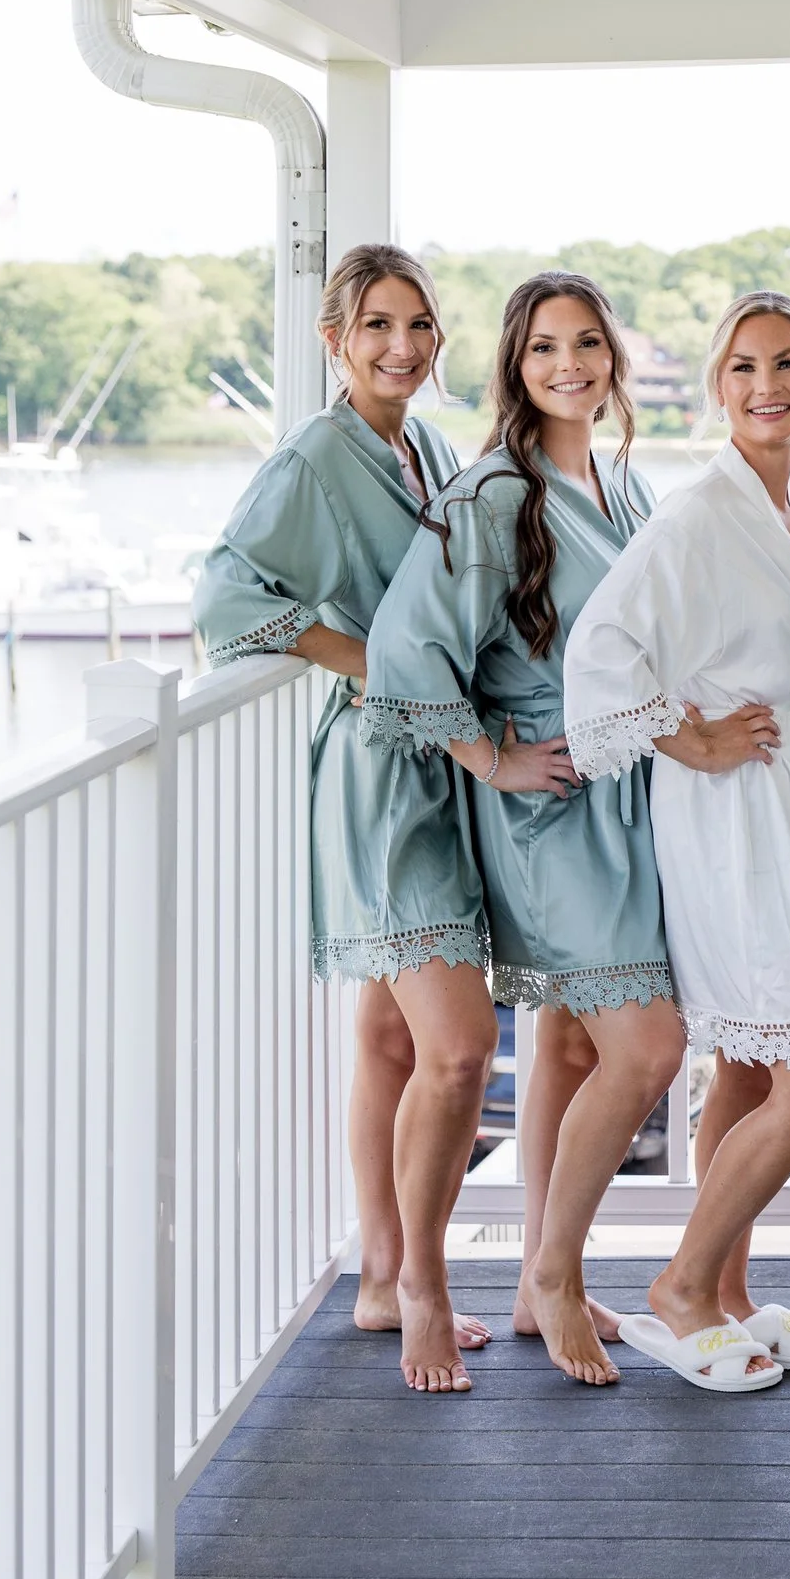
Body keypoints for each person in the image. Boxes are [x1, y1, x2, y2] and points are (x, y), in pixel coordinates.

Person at [362, 272, 687, 1387]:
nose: (568, 364)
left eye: (587, 343)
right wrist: (491, 756)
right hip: (548, 805)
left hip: (627, 796)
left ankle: (547, 1268)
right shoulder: (496, 493)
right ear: (513, 363)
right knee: (648, 1045)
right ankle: (524, 1271)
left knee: (572, 1041)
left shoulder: (617, 479)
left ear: (612, 358)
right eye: (544, 346)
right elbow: (408, 654)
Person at [194, 244, 496, 1393]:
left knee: (390, 1034)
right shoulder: (317, 455)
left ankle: (378, 1267)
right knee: (460, 1048)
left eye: (418, 324)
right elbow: (225, 592)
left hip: (445, 757)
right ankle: (422, 1280)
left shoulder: (420, 442)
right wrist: (361, 657)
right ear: (335, 340)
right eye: (376, 326)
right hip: (378, 772)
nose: (402, 347)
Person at [562, 291, 790, 1392]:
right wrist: (684, 739)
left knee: (753, 1060)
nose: (765, 383)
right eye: (741, 366)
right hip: (734, 814)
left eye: (786, 362)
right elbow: (601, 655)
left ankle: (727, 1292)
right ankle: (683, 1282)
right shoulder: (693, 516)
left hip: (789, 803)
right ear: (713, 387)